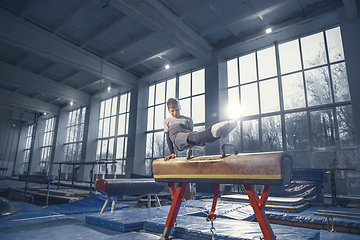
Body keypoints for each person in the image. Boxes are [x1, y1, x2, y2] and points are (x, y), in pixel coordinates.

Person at [163, 98, 237, 161]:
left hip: (188, 135)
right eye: (172, 111)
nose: (175, 113)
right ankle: (212, 130)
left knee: (201, 138)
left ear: (180, 108)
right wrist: (172, 152)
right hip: (177, 137)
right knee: (196, 137)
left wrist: (190, 150)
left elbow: (190, 135)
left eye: (177, 110)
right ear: (169, 110)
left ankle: (220, 134)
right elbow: (168, 138)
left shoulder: (188, 120)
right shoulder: (167, 121)